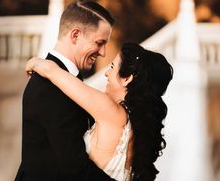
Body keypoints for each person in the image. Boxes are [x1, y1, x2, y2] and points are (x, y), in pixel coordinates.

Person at [26, 42, 174, 181]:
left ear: (127, 79)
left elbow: (51, 71)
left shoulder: (111, 112)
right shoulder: (136, 125)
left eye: (112, 67)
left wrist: (34, 62)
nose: (106, 74)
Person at [15, 0, 115, 181]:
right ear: (75, 35)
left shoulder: (63, 79)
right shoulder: (51, 89)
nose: (103, 53)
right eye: (99, 43)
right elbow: (73, 167)